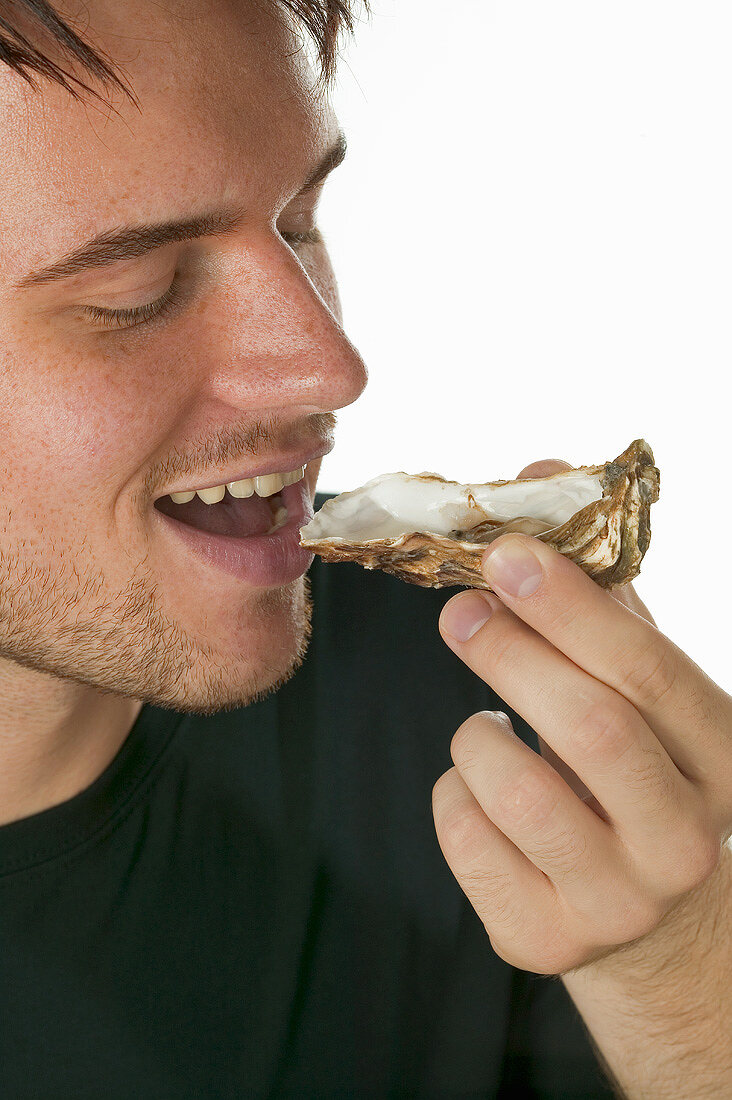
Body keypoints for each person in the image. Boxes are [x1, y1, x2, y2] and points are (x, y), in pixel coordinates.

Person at [0, 2, 730, 1097]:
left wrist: (677, 970)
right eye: (134, 296)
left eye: (300, 221)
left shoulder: (487, 731)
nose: (329, 366)